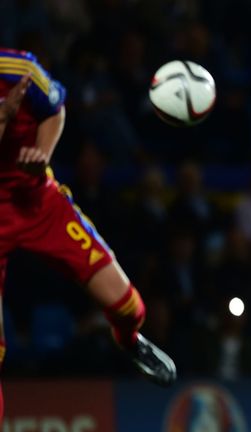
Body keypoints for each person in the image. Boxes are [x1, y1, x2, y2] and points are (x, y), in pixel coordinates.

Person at [0, 48, 176, 417]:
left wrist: (43, 156)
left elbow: (55, 110)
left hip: (38, 204)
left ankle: (128, 341)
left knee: (128, 307)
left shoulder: (19, 68)